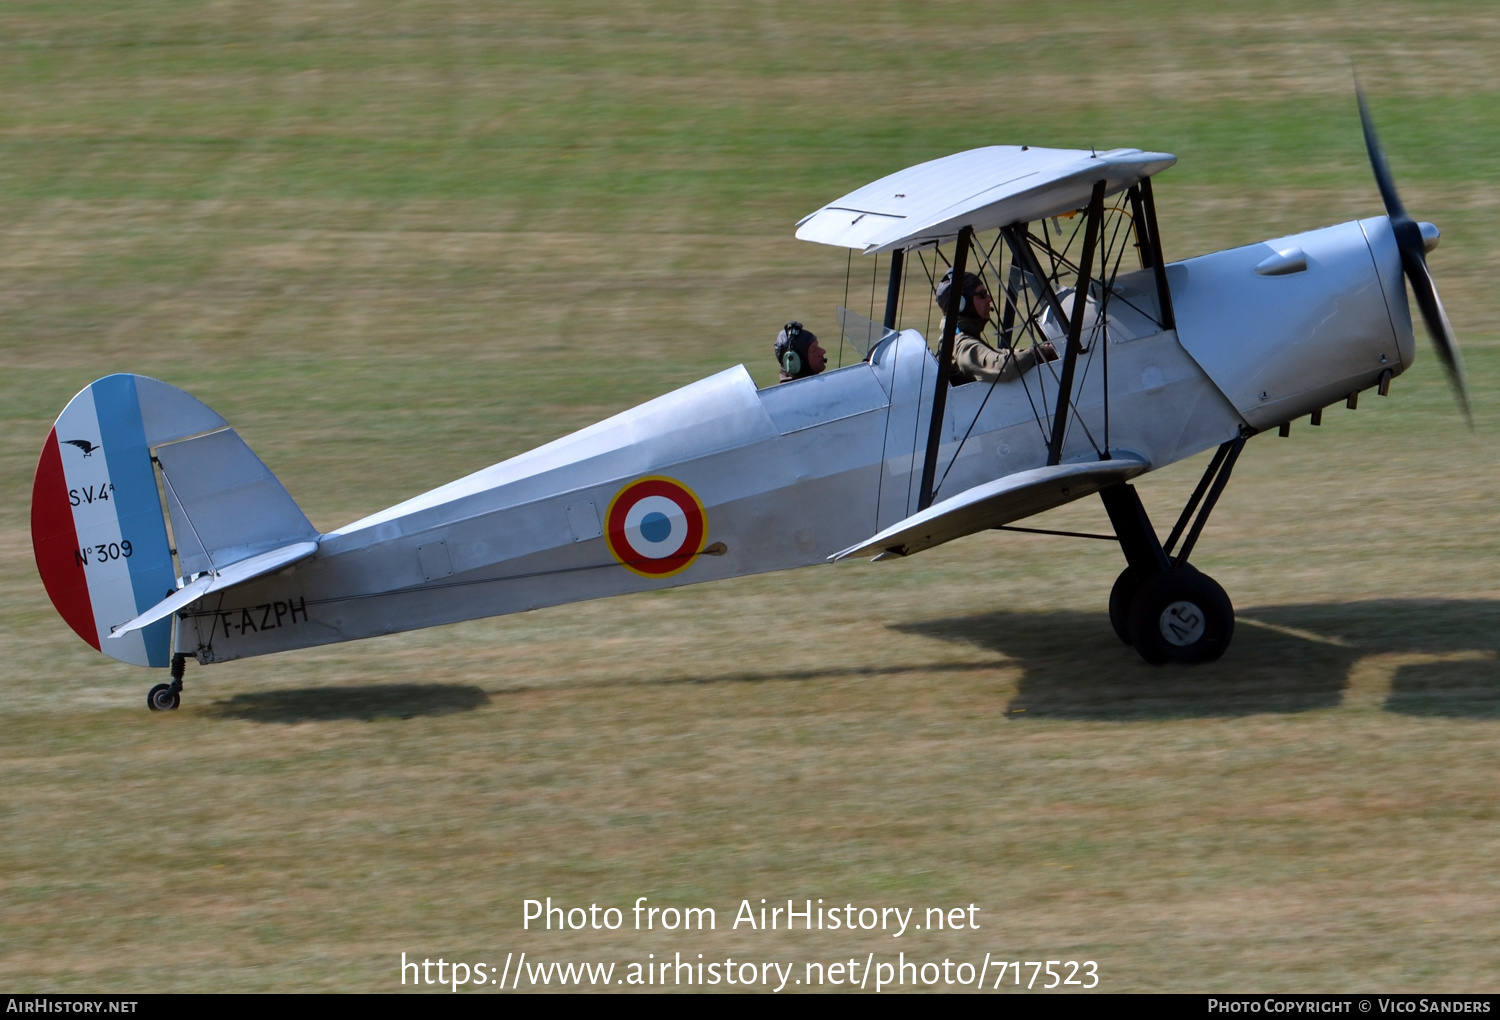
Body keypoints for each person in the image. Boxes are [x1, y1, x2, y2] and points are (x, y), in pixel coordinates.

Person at [934, 270, 1056, 384]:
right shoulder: (961, 346)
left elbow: (999, 353)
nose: (989, 299)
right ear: (961, 304)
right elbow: (1002, 367)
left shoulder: (959, 338)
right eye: (982, 295)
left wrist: (1042, 350)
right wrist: (1035, 354)